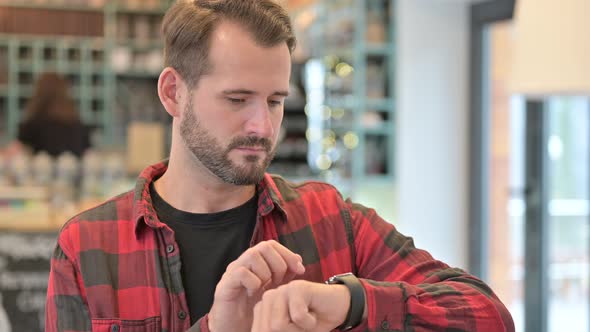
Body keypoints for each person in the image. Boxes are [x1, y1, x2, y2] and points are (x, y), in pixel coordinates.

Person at [45, 1, 515, 331]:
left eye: (274, 101)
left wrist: (348, 302)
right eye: (237, 99)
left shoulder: (332, 220)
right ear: (173, 93)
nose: (262, 125)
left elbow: (487, 315)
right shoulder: (88, 246)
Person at [6, 72, 90, 158]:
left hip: (40, 170)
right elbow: (88, 152)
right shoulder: (77, 124)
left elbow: (14, 151)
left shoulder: (34, 124)